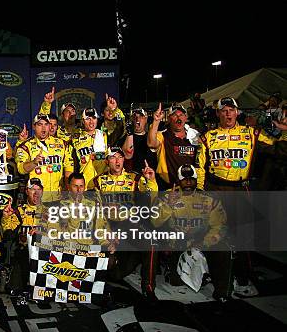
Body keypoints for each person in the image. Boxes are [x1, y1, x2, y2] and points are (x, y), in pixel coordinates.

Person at [195, 97, 276, 297]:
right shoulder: (208, 137)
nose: (228, 114)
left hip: (241, 189)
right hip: (216, 189)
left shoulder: (252, 134)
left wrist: (281, 130)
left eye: (231, 110)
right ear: (218, 114)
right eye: (224, 110)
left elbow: (277, 147)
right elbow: (200, 167)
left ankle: (242, 278)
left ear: (237, 112)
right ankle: (221, 284)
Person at [152, 164, 232, 301]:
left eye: (191, 179)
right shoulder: (167, 196)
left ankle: (222, 291)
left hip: (201, 241)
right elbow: (155, 222)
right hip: (177, 243)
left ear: (196, 180)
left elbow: (220, 226)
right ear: (178, 180)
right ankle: (185, 270)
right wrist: (168, 205)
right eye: (184, 179)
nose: (188, 182)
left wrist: (204, 243)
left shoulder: (209, 198)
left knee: (224, 248)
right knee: (175, 281)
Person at [93, 147, 159, 301]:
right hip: (109, 226)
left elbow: (152, 196)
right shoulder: (98, 181)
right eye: (113, 157)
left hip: (129, 224)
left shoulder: (134, 178)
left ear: (124, 160)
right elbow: (96, 212)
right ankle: (131, 258)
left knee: (151, 241)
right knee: (114, 274)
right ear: (107, 161)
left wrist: (151, 180)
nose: (117, 161)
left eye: (120, 157)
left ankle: (148, 287)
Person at [16, 114, 74, 202]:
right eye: (40, 124)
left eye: (46, 124)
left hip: (57, 197)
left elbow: (69, 168)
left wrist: (68, 189)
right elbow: (21, 169)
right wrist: (34, 163)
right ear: (34, 126)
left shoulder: (62, 144)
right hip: (37, 198)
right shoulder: (25, 146)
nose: (43, 128)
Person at [1, 178, 44, 294]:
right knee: (15, 289)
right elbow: (7, 233)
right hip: (24, 255)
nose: (36, 193)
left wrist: (43, 232)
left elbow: (60, 234)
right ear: (26, 191)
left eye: (39, 189)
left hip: (44, 255)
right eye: (32, 189)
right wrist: (5, 217)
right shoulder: (19, 211)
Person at [148, 103, 199, 189]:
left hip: (191, 187)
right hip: (169, 187)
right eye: (175, 115)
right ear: (169, 119)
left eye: (181, 115)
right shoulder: (163, 135)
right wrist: (156, 121)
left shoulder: (195, 136)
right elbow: (151, 143)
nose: (178, 118)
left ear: (186, 118)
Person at [71, 107, 108, 189]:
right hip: (85, 185)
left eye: (94, 118)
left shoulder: (104, 135)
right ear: (83, 121)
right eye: (88, 119)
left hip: (103, 185)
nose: (91, 122)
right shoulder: (75, 138)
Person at [122, 107, 157, 174]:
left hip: (149, 177)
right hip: (131, 178)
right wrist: (129, 133)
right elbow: (127, 154)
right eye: (134, 116)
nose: (137, 119)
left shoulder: (150, 138)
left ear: (146, 119)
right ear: (131, 119)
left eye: (141, 116)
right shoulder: (125, 138)